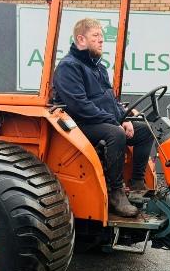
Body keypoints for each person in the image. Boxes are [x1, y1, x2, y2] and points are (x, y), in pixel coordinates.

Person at [52, 18, 154, 217]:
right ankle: (116, 192)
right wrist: (115, 122)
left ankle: (136, 183)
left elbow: (110, 100)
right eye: (96, 36)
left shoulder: (99, 67)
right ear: (81, 39)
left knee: (145, 130)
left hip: (101, 120)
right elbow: (79, 106)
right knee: (115, 133)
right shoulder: (69, 67)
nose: (101, 40)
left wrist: (123, 118)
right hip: (79, 125)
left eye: (101, 36)